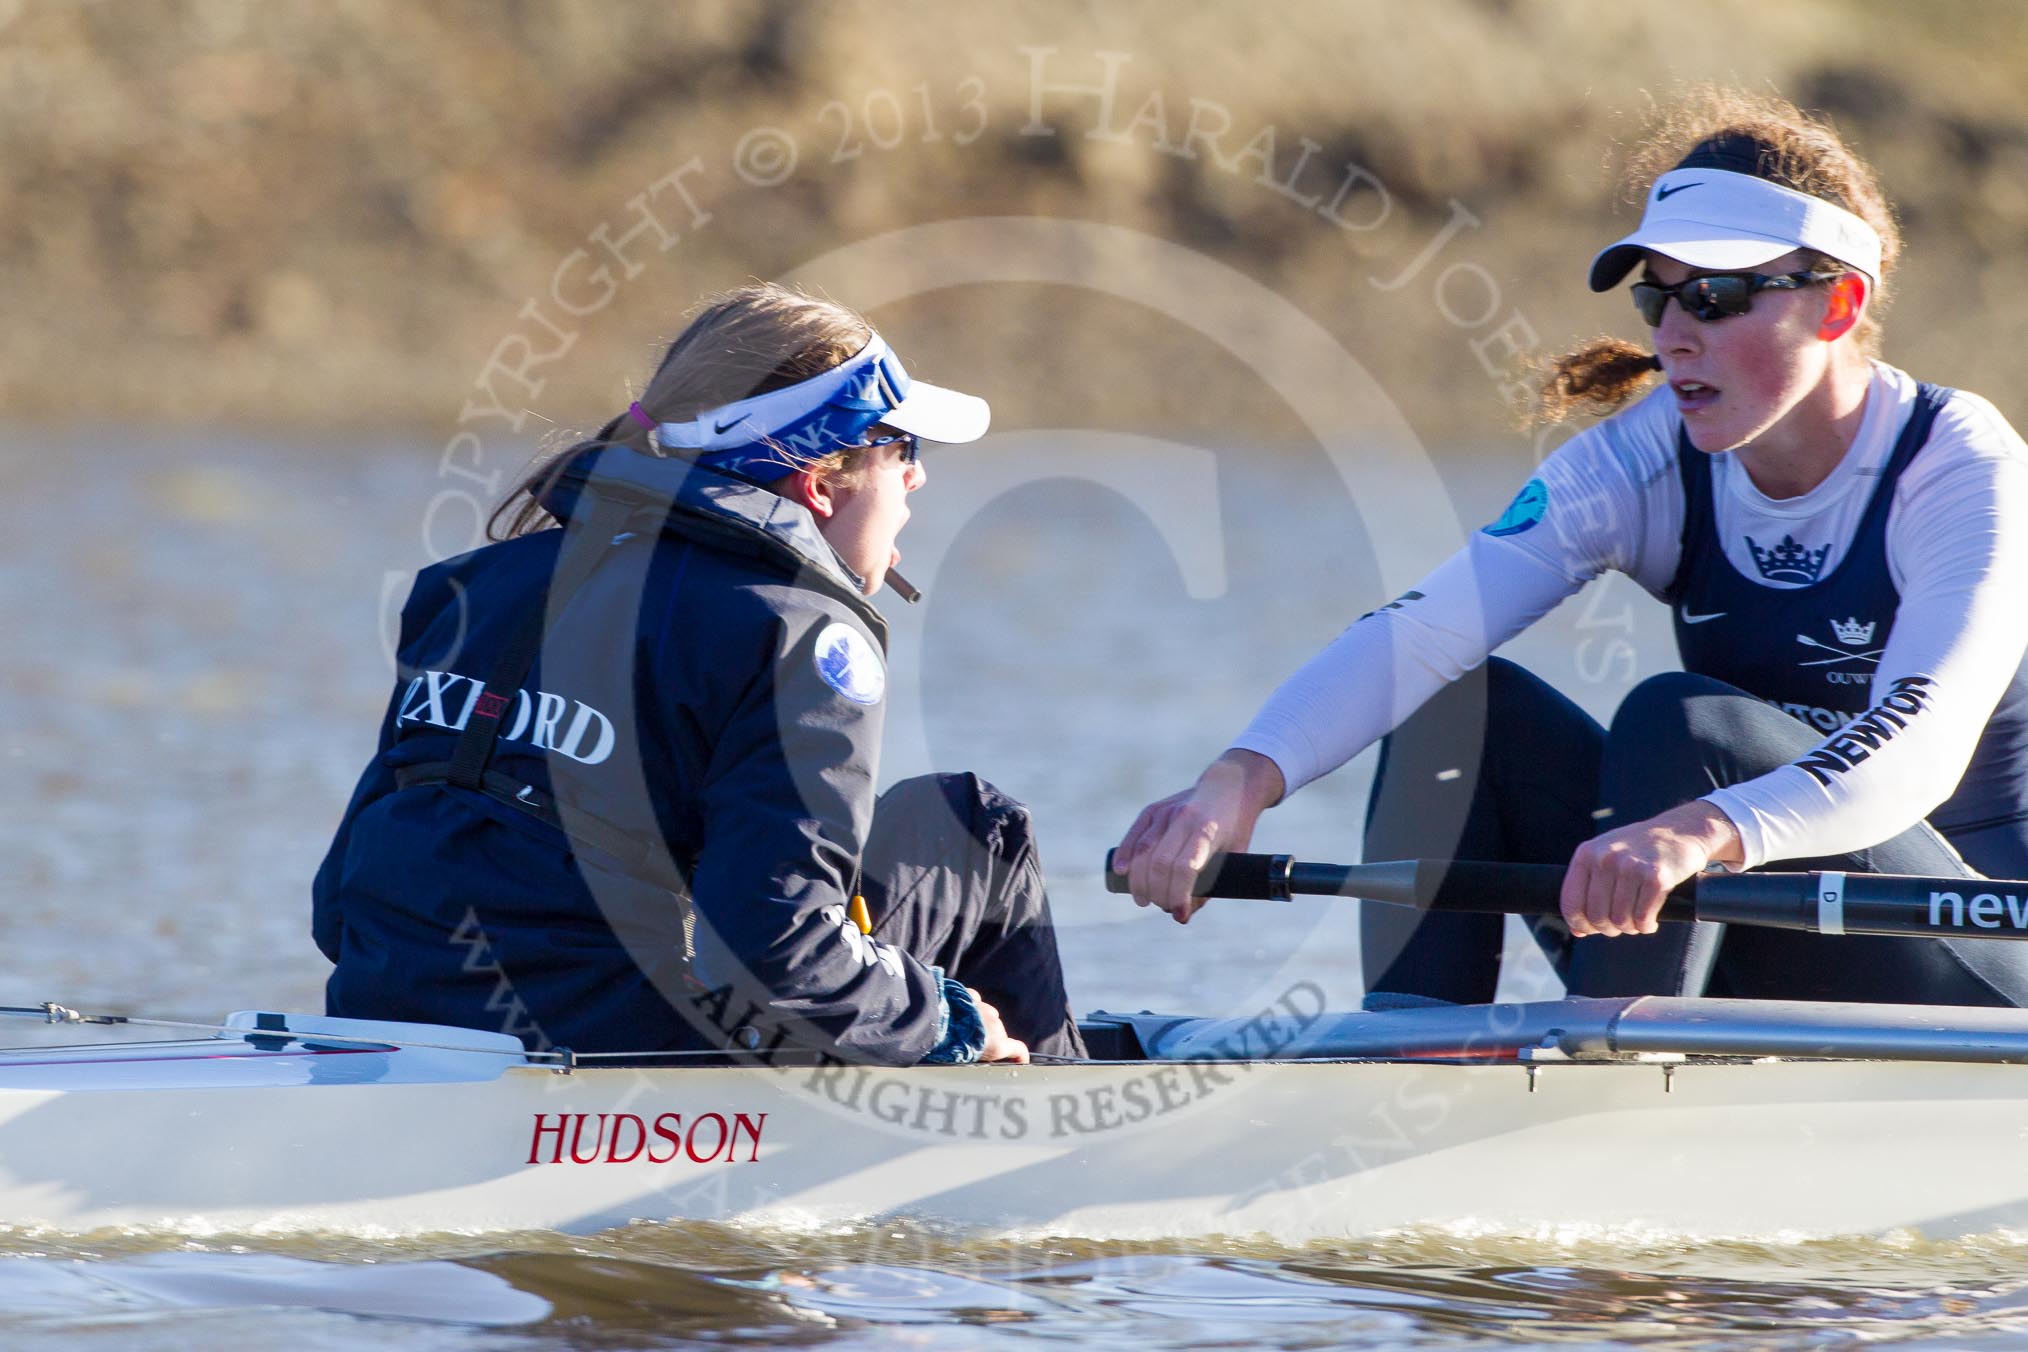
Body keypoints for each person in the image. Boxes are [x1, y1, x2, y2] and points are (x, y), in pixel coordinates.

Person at [1114, 88, 2028, 1007]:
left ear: (1838, 305)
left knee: (1682, 723)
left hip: (1970, 951)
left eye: (1715, 297)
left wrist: (1697, 832)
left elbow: (1918, 753)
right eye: (1656, 298)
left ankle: (1615, 1047)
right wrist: (1237, 780)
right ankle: (1411, 1049)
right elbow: (1424, 635)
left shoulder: (1959, 470)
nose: (1674, 338)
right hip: (1758, 908)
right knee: (1458, 708)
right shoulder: (1644, 459)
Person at [315, 282, 1084, 1064]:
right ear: (817, 485)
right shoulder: (800, 632)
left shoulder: (472, 585)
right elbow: (775, 959)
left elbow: (334, 911)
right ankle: (1049, 1122)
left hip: (387, 1018)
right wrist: (945, 1022)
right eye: (902, 451)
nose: (916, 479)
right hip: (624, 1062)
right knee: (977, 827)